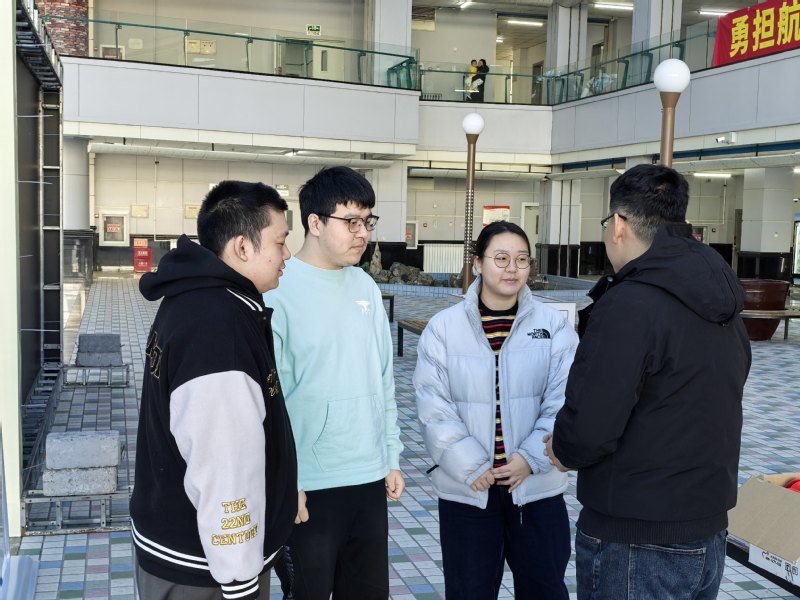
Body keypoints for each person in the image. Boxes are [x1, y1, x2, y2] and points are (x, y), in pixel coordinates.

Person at [545, 164, 752, 600]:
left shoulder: (630, 303)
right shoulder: (721, 298)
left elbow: (593, 421)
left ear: (619, 224)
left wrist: (563, 449)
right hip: (708, 530)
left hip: (635, 540)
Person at [130, 181, 298, 600]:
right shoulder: (220, 328)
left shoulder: (196, 300)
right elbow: (224, 464)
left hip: (180, 553)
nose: (287, 255)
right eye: (280, 242)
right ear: (242, 247)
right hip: (205, 572)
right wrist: (241, 580)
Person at [414, 221, 578, 599]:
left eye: (521, 259)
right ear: (478, 263)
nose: (512, 268)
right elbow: (433, 404)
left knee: (544, 589)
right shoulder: (444, 328)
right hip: (470, 489)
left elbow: (565, 399)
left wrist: (530, 458)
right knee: (469, 590)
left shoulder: (553, 326)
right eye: (501, 258)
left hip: (536, 489)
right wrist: (472, 465)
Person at [264, 166, 404, 600]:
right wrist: (285, 482)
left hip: (368, 476)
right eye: (351, 221)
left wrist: (391, 456)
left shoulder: (364, 286)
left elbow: (383, 378)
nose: (363, 233)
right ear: (315, 222)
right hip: (309, 485)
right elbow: (268, 402)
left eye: (368, 221)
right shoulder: (277, 290)